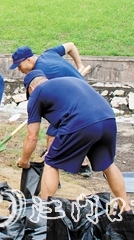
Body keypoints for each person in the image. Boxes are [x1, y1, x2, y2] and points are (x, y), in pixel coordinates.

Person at [17, 70, 131, 212]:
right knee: (108, 165)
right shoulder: (67, 82)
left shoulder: (36, 94)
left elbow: (32, 136)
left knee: (51, 163)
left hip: (81, 122)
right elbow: (60, 128)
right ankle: (126, 209)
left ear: (31, 89)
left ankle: (44, 215)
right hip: (107, 119)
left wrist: (24, 160)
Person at [9, 43, 92, 177]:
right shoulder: (49, 53)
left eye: (19, 66)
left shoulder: (42, 75)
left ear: (29, 60)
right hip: (85, 95)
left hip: (75, 102)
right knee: (56, 132)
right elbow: (71, 45)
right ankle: (75, 163)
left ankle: (56, 172)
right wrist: (80, 65)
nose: (19, 70)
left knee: (53, 135)